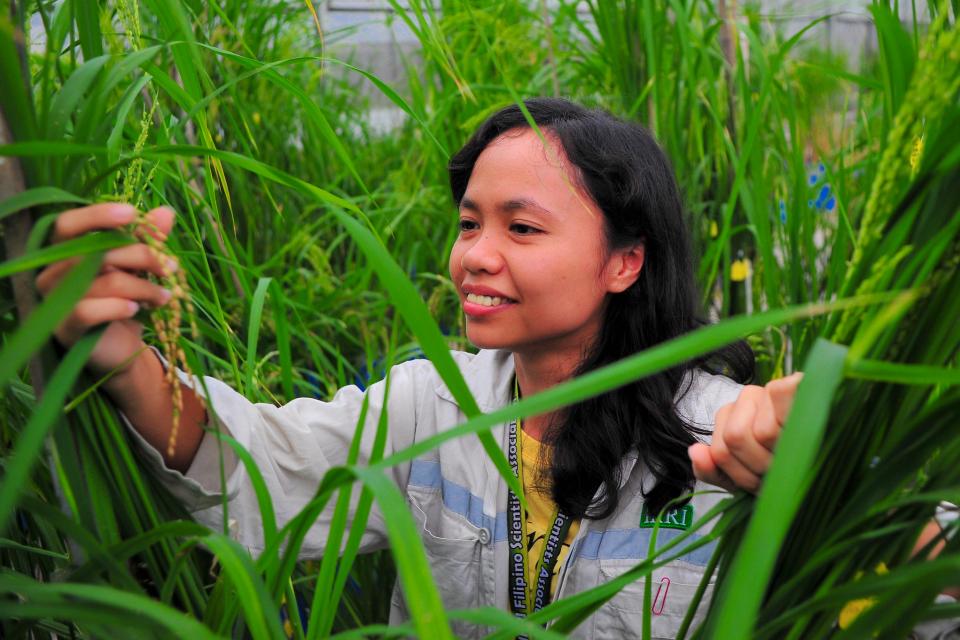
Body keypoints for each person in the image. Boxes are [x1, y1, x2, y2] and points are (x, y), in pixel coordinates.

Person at [37, 98, 802, 638]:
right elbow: (265, 475)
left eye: (521, 227)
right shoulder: (432, 406)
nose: (474, 256)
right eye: (469, 223)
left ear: (624, 262)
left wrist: (809, 461)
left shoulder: (724, 438)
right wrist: (127, 360)